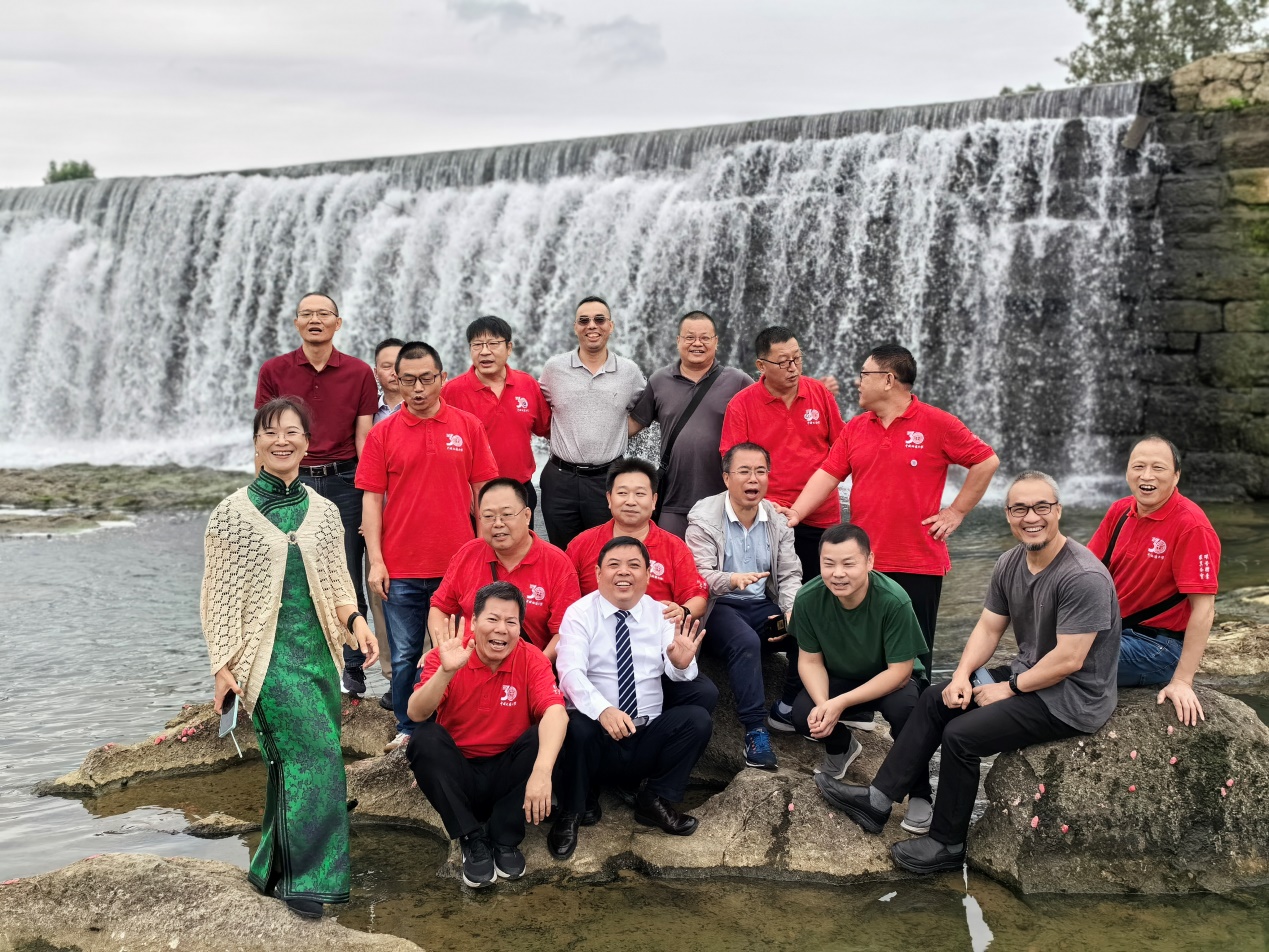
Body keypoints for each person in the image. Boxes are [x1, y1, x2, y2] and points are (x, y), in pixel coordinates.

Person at [819, 472, 1121, 876]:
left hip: (1071, 698)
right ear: (1008, 514)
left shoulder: (1083, 576)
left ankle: (947, 843)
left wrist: (1009, 688)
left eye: (1041, 507)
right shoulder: (1010, 562)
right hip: (1030, 674)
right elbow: (989, 628)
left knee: (961, 736)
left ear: (1058, 511)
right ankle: (877, 800)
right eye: (1019, 509)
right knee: (934, 698)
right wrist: (963, 674)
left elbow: (1069, 660)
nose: (1031, 517)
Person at [200, 397, 378, 919]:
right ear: (256, 443)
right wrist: (221, 668)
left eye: (292, 432)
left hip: (318, 657)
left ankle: (270, 869)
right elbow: (218, 600)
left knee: (292, 766)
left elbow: (339, 586)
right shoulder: (231, 515)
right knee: (316, 759)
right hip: (267, 661)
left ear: (308, 443)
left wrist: (357, 623)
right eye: (271, 432)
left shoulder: (325, 513)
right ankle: (308, 882)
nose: (282, 441)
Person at [786, 344, 999, 685]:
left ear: (888, 380)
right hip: (864, 563)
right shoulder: (856, 428)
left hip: (918, 561)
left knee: (914, 666)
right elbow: (827, 475)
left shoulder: (938, 422)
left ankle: (914, 717)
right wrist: (795, 513)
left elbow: (986, 461)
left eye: (864, 375)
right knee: (863, 653)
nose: (857, 382)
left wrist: (956, 511)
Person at [357, 340, 499, 753]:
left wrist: (485, 552)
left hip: (457, 566)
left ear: (443, 378)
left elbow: (484, 494)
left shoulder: (468, 426)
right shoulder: (383, 434)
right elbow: (371, 500)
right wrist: (376, 561)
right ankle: (407, 727)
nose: (418, 388)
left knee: (459, 649)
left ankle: (457, 725)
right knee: (404, 655)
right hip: (401, 567)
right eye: (408, 380)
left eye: (426, 379)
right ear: (396, 381)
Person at [550, 537, 713, 859]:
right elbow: (569, 672)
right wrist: (603, 710)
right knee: (575, 725)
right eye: (614, 565)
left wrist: (681, 663)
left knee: (696, 720)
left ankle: (653, 799)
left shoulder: (661, 614)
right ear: (598, 574)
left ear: (648, 574)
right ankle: (572, 809)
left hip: (644, 734)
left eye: (634, 565)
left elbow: (681, 673)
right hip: (597, 738)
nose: (623, 572)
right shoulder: (580, 613)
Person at [255, 292, 379, 699]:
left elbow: (364, 440)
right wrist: (261, 496)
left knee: (346, 575)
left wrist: (370, 498)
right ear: (296, 323)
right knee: (290, 574)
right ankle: (298, 664)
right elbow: (265, 438)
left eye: (323, 314)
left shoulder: (359, 372)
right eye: (306, 314)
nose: (315, 320)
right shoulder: (274, 370)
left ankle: (352, 670)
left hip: (345, 482)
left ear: (337, 323)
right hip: (293, 481)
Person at [405, 582, 568, 888]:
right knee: (424, 738)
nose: (501, 629)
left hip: (509, 774)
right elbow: (416, 713)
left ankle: (505, 838)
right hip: (461, 773)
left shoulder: (532, 658)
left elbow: (556, 712)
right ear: (474, 621)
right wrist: (446, 672)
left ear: (519, 627)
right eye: (492, 619)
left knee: (548, 735)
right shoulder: (449, 653)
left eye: (511, 622)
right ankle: (472, 838)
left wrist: (542, 773)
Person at [789, 523, 933, 832]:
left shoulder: (893, 599)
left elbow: (900, 672)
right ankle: (841, 747)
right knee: (803, 714)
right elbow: (810, 661)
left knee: (907, 710)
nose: (838, 573)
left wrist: (839, 703)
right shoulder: (808, 598)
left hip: (890, 680)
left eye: (848, 563)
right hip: (841, 676)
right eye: (829, 564)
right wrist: (825, 705)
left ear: (869, 561)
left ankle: (921, 793)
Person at [685, 441, 803, 769]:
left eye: (760, 471)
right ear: (726, 478)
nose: (754, 479)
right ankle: (754, 731)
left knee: (807, 626)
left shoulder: (776, 520)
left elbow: (790, 574)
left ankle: (787, 707)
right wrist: (732, 579)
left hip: (761, 607)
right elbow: (699, 576)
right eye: (744, 471)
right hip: (720, 607)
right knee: (745, 641)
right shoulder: (704, 518)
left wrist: (791, 611)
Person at [1088, 435, 1220, 725]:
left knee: (1068, 661)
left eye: (1158, 468)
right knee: (1044, 643)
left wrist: (1182, 681)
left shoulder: (1191, 525)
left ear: (1176, 476)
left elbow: (1205, 608)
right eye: (1138, 466)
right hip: (1113, 630)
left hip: (1157, 647)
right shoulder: (1120, 511)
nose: (1146, 476)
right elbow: (1086, 574)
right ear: (1127, 471)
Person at [720, 325, 844, 584]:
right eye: (784, 362)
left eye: (797, 358)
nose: (793, 368)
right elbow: (733, 463)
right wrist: (762, 504)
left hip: (820, 515)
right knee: (769, 593)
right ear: (761, 366)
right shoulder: (741, 405)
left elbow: (844, 447)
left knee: (820, 590)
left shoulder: (819, 393)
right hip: (767, 516)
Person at [628, 311, 753, 537]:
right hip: (673, 500)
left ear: (716, 342)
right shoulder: (659, 380)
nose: (697, 343)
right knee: (669, 556)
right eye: (689, 337)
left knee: (719, 561)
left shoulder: (738, 381)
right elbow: (632, 426)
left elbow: (767, 412)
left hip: (724, 501)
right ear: (678, 341)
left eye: (705, 338)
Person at [429, 479, 581, 662]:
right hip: (466, 662)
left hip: (527, 665)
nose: (498, 523)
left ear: (527, 516)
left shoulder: (557, 564)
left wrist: (536, 667)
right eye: (488, 516)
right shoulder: (468, 554)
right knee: (424, 671)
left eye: (507, 514)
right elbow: (440, 608)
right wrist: (443, 650)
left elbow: (564, 633)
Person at [538, 296, 647, 550]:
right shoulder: (554, 369)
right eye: (584, 320)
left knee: (608, 553)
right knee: (562, 554)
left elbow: (646, 410)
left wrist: (618, 433)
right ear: (575, 327)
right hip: (560, 480)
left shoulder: (629, 372)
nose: (592, 326)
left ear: (611, 325)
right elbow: (537, 410)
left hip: (608, 479)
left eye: (599, 319)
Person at [566, 457, 709, 624]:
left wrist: (682, 611)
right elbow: (563, 598)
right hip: (593, 633)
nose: (631, 502)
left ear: (654, 500)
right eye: (622, 493)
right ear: (609, 499)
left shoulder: (674, 547)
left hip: (655, 634)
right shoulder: (582, 544)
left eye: (640, 494)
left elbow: (698, 597)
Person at [442, 316, 551, 519]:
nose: (485, 351)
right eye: (477, 345)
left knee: (521, 540)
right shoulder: (452, 391)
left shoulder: (527, 384)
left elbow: (548, 429)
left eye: (493, 344)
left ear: (509, 348)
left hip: (520, 490)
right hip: (472, 494)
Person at [369, 337, 404, 705]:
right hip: (379, 519)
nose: (393, 372)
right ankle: (394, 677)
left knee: (427, 597)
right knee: (380, 595)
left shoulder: (429, 410)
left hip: (418, 518)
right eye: (385, 365)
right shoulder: (367, 415)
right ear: (375, 371)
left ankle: (428, 673)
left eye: (399, 364)